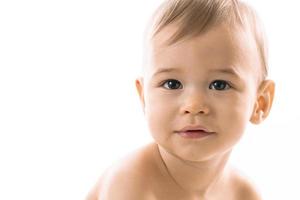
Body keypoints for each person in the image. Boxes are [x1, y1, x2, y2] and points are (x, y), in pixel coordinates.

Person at [87, 0, 275, 199]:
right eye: (172, 84)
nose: (193, 105)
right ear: (144, 98)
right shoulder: (130, 183)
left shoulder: (242, 193)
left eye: (219, 84)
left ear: (259, 103)